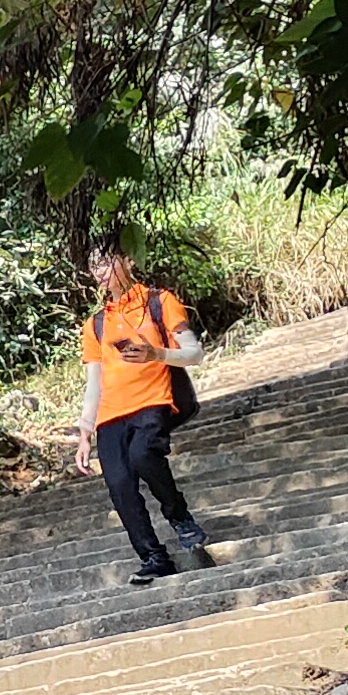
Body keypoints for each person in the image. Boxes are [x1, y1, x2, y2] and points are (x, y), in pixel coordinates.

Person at [70, 244, 209, 586]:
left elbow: (194, 353)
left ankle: (180, 517)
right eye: (93, 267)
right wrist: (84, 433)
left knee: (144, 456)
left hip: (152, 400)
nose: (100, 271)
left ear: (128, 259)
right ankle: (153, 557)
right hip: (110, 416)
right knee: (119, 486)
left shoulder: (160, 302)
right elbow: (94, 382)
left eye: (106, 262)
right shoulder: (97, 323)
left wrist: (156, 353)